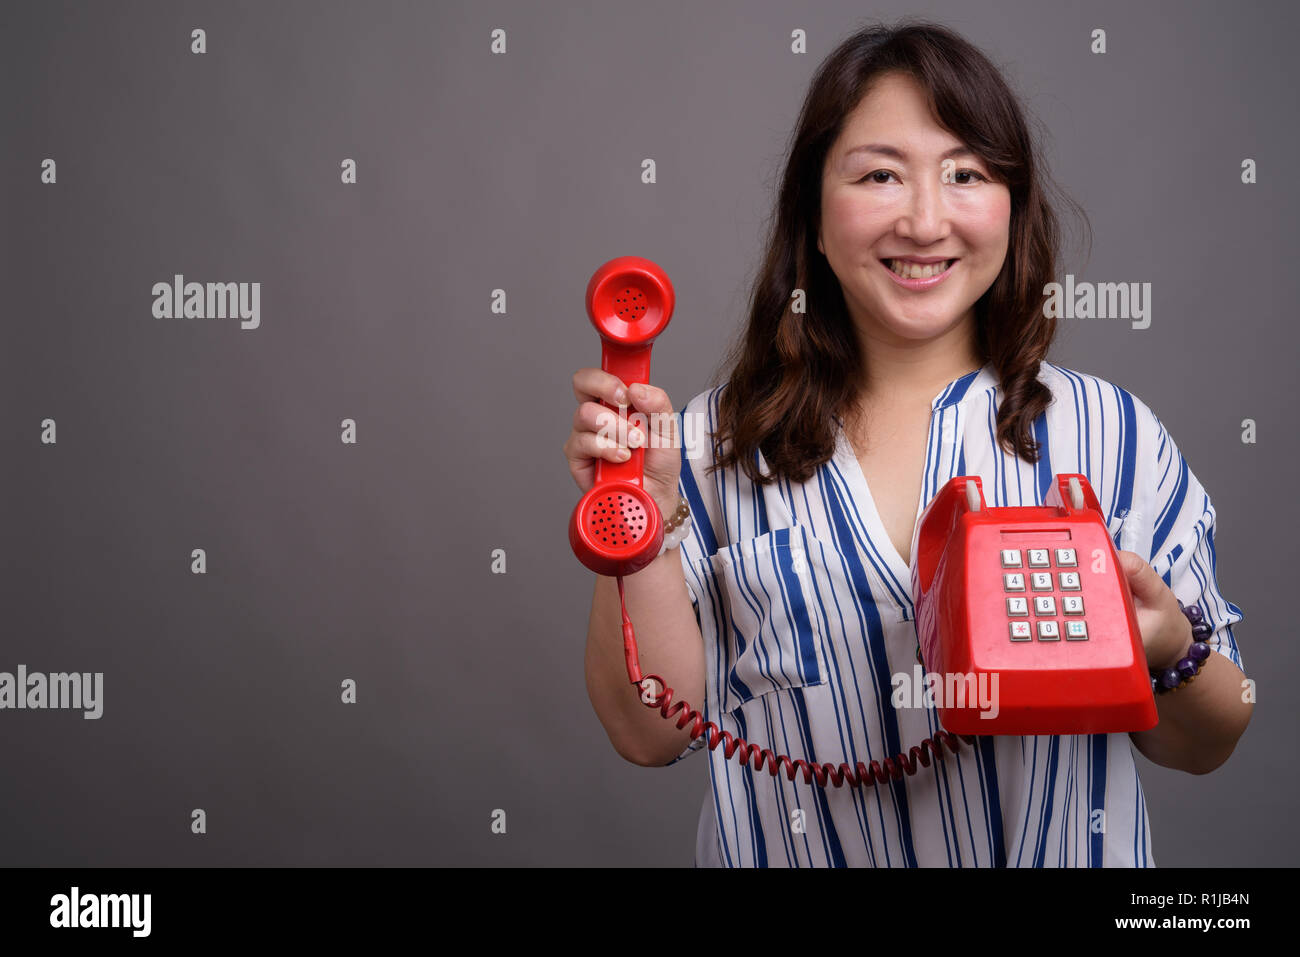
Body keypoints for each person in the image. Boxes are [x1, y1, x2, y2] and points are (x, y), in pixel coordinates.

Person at [562, 20, 1251, 867]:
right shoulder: (703, 444)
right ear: (813, 217)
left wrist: (1169, 649)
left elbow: (1205, 743)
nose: (926, 221)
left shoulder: (1111, 435)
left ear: (1012, 207)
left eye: (965, 173)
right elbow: (647, 732)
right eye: (880, 174)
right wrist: (638, 515)